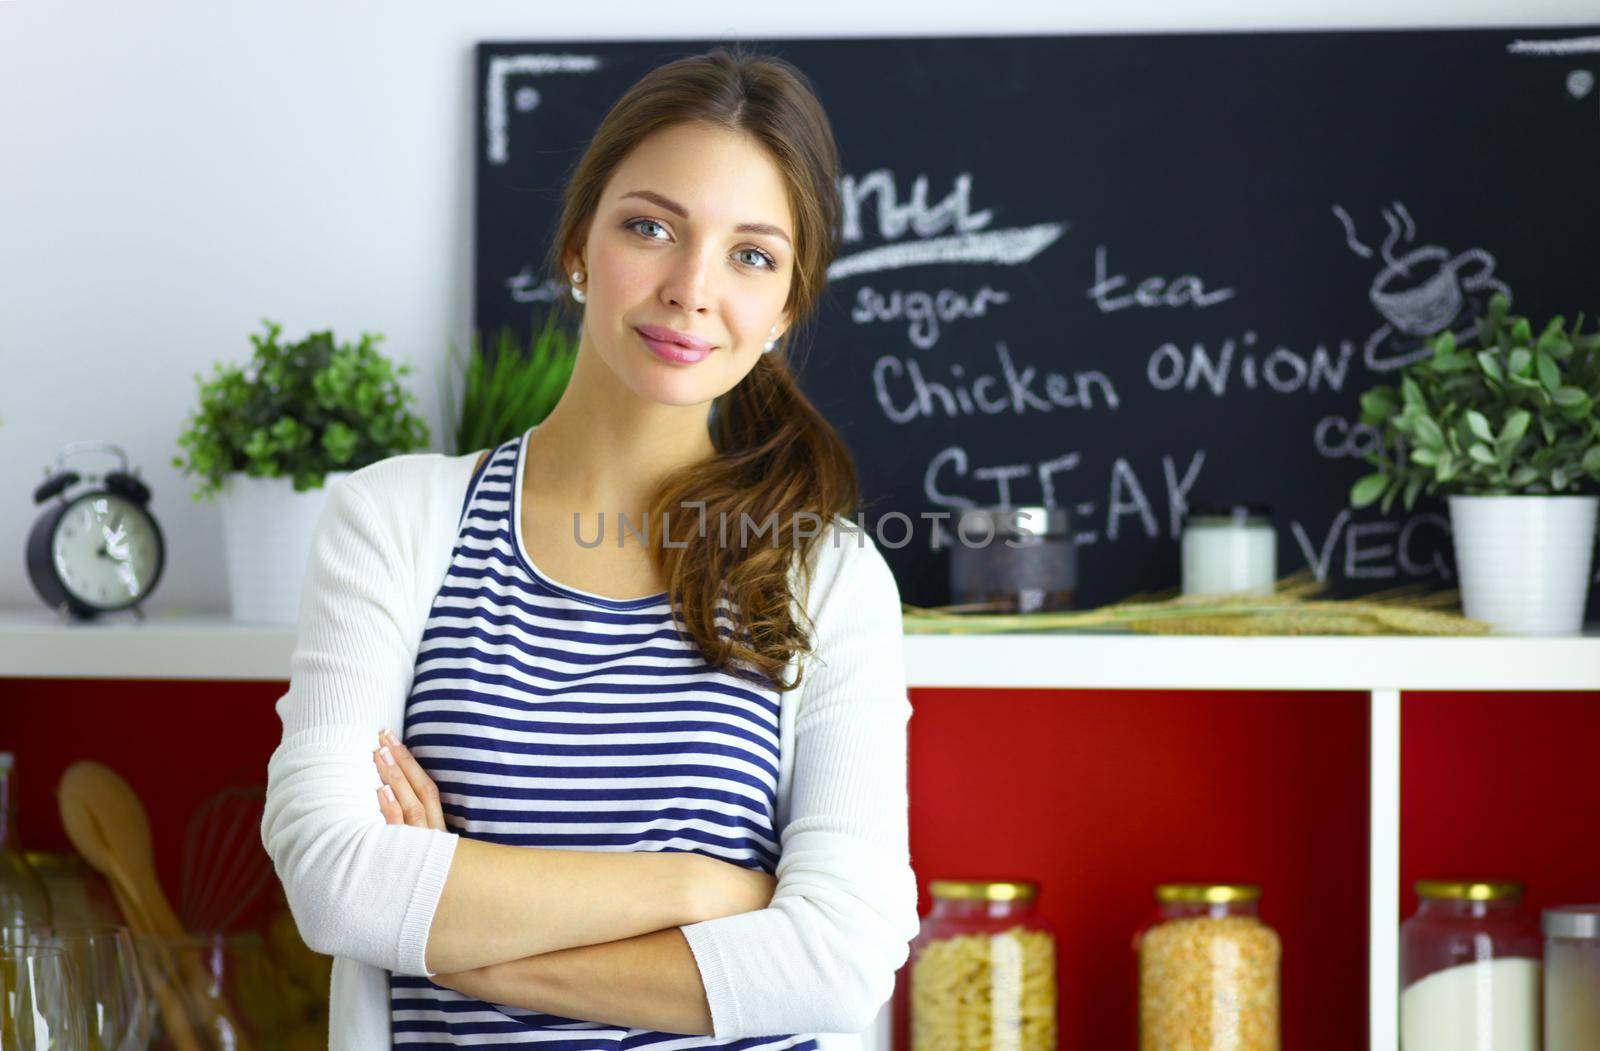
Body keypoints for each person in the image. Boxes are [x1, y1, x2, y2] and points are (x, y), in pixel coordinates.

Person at [261, 44, 919, 1049]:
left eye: (751, 254)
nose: (692, 288)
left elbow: (838, 962)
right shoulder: (394, 522)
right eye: (651, 227)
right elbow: (335, 880)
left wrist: (442, 924)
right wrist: (698, 887)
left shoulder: (826, 576)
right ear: (578, 245)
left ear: (786, 305)